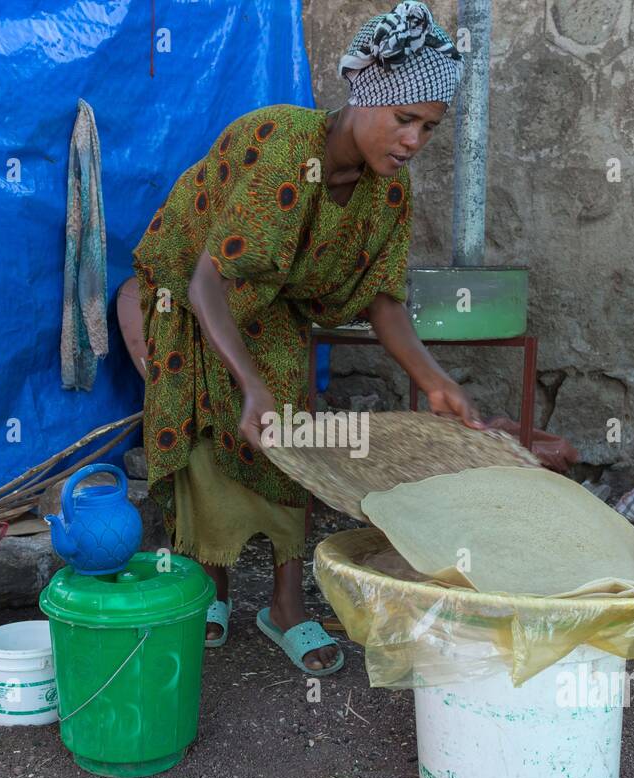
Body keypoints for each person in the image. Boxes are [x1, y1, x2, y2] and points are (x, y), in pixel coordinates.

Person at [117, 2, 497, 674]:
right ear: (366, 100)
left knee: (289, 437)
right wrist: (250, 383)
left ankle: (286, 606)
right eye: (404, 119)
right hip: (190, 288)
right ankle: (216, 589)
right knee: (212, 432)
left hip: (270, 302)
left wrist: (438, 382)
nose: (413, 140)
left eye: (429, 129)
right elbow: (209, 282)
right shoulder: (284, 149)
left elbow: (384, 302)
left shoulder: (390, 194)